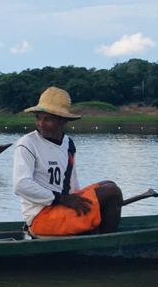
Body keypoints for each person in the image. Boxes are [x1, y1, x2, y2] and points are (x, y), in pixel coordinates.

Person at [12, 87, 122, 237]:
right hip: (41, 218)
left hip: (60, 210)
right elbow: (21, 186)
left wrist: (82, 205)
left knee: (108, 185)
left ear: (63, 120)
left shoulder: (68, 144)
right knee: (112, 192)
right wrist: (61, 199)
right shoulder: (27, 144)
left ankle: (97, 233)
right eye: (38, 118)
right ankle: (109, 244)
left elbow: (72, 187)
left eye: (47, 119)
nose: (41, 124)